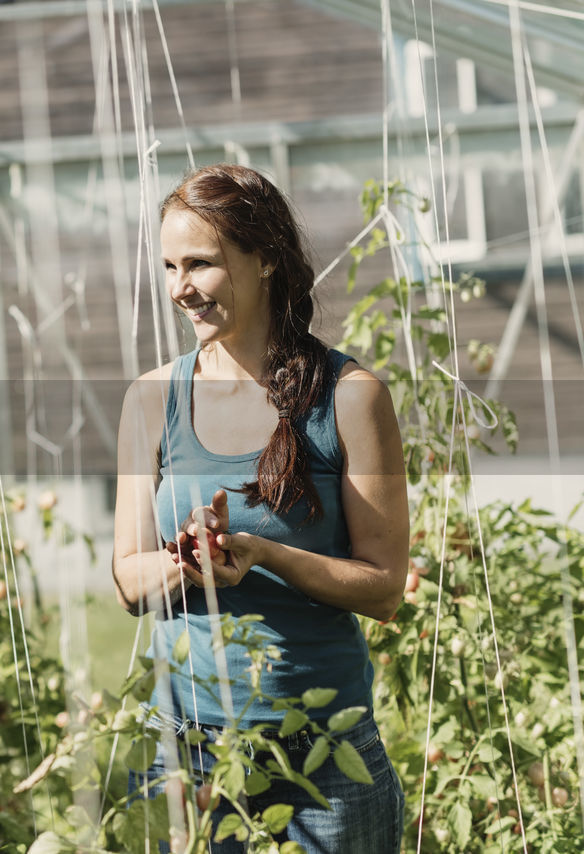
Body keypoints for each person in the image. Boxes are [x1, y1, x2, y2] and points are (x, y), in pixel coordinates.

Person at [111, 164, 408, 852]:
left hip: (323, 757)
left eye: (201, 264)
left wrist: (266, 554)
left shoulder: (350, 397)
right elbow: (129, 581)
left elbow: (385, 588)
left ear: (266, 259)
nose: (180, 287)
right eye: (168, 265)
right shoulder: (151, 401)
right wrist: (192, 559)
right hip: (188, 754)